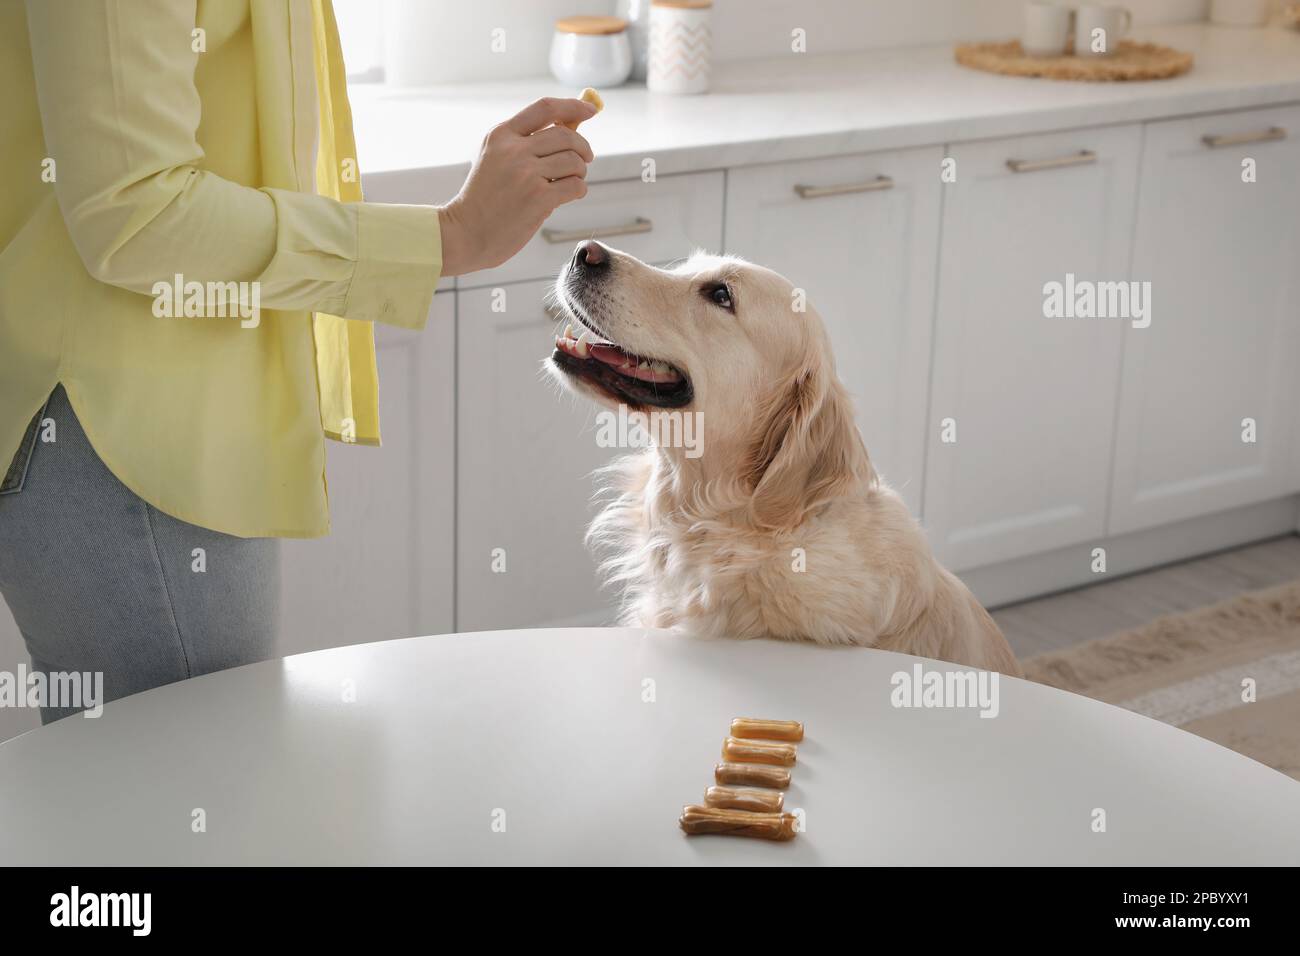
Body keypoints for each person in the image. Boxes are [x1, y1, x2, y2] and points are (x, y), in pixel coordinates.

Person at [0, 0, 596, 721]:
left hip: (153, 421)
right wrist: (447, 236)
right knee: (188, 799)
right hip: (122, 431)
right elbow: (136, 214)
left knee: (150, 799)